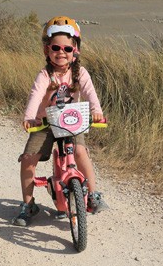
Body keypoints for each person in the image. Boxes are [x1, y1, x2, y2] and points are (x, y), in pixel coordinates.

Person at [13, 16, 109, 226]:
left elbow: (90, 93)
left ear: (76, 50)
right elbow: (36, 95)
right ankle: (28, 204)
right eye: (55, 47)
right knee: (29, 159)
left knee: (81, 152)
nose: (61, 53)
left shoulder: (80, 73)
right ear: (47, 50)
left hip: (72, 119)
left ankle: (93, 195)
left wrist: (97, 112)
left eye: (67, 48)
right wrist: (30, 116)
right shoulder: (45, 75)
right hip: (46, 122)